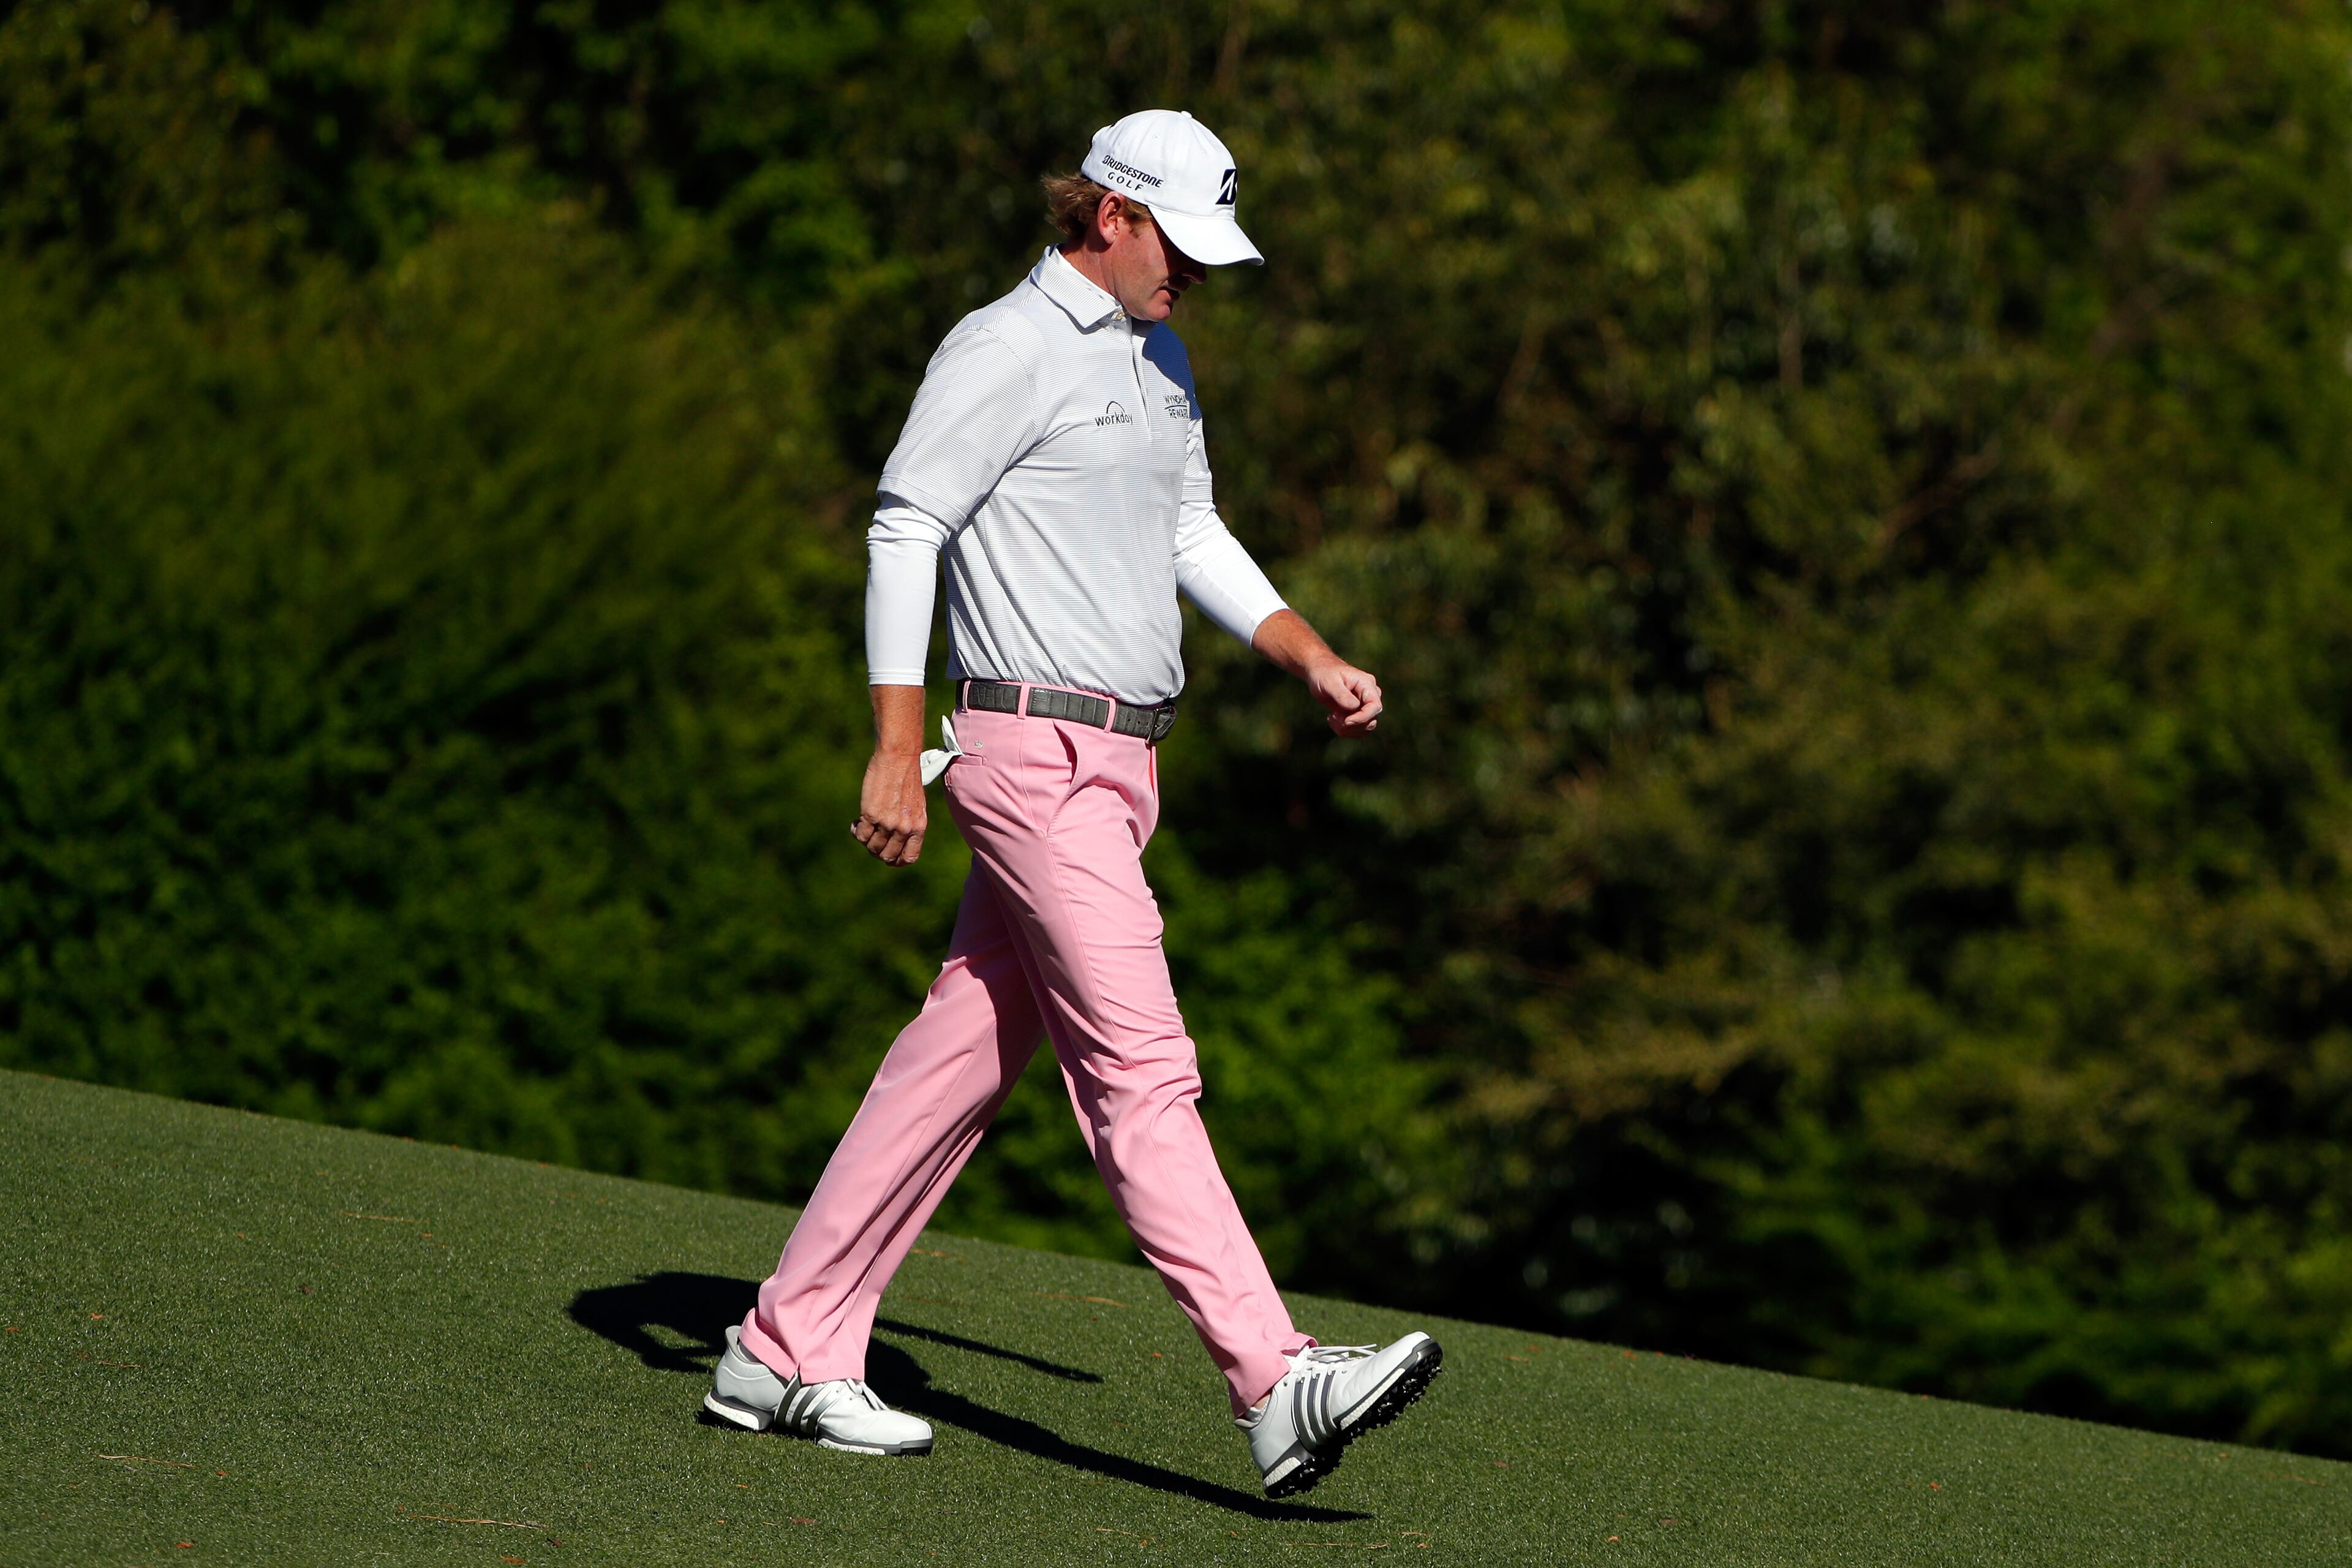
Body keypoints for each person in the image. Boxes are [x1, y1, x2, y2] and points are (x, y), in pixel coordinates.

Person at [702, 109, 1440, 1499]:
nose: (1197, 277)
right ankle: (1275, 1378)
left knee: (958, 1067)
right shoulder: (1005, 346)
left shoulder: (1161, 362)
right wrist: (892, 739)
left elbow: (1186, 531)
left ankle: (784, 1346)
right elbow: (907, 521)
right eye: (1180, 244)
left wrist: (1308, 650)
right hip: (1030, 756)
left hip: (1121, 764)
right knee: (1143, 1071)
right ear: (1107, 210)